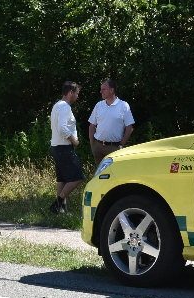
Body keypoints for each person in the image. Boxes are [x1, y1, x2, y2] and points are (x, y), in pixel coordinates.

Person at [49, 81, 84, 214]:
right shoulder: (65, 107)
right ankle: (57, 204)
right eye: (76, 93)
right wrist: (74, 140)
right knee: (77, 177)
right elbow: (62, 128)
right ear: (70, 93)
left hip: (56, 146)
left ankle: (61, 210)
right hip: (64, 147)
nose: (77, 96)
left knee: (63, 178)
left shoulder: (57, 105)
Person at [88, 79, 135, 164]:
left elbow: (129, 128)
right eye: (101, 89)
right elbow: (92, 125)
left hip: (114, 148)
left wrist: (121, 145)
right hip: (98, 146)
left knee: (114, 175)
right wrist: (92, 144)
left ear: (112, 90)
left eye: (103, 89)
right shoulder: (99, 105)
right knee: (99, 175)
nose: (101, 91)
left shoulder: (123, 106)